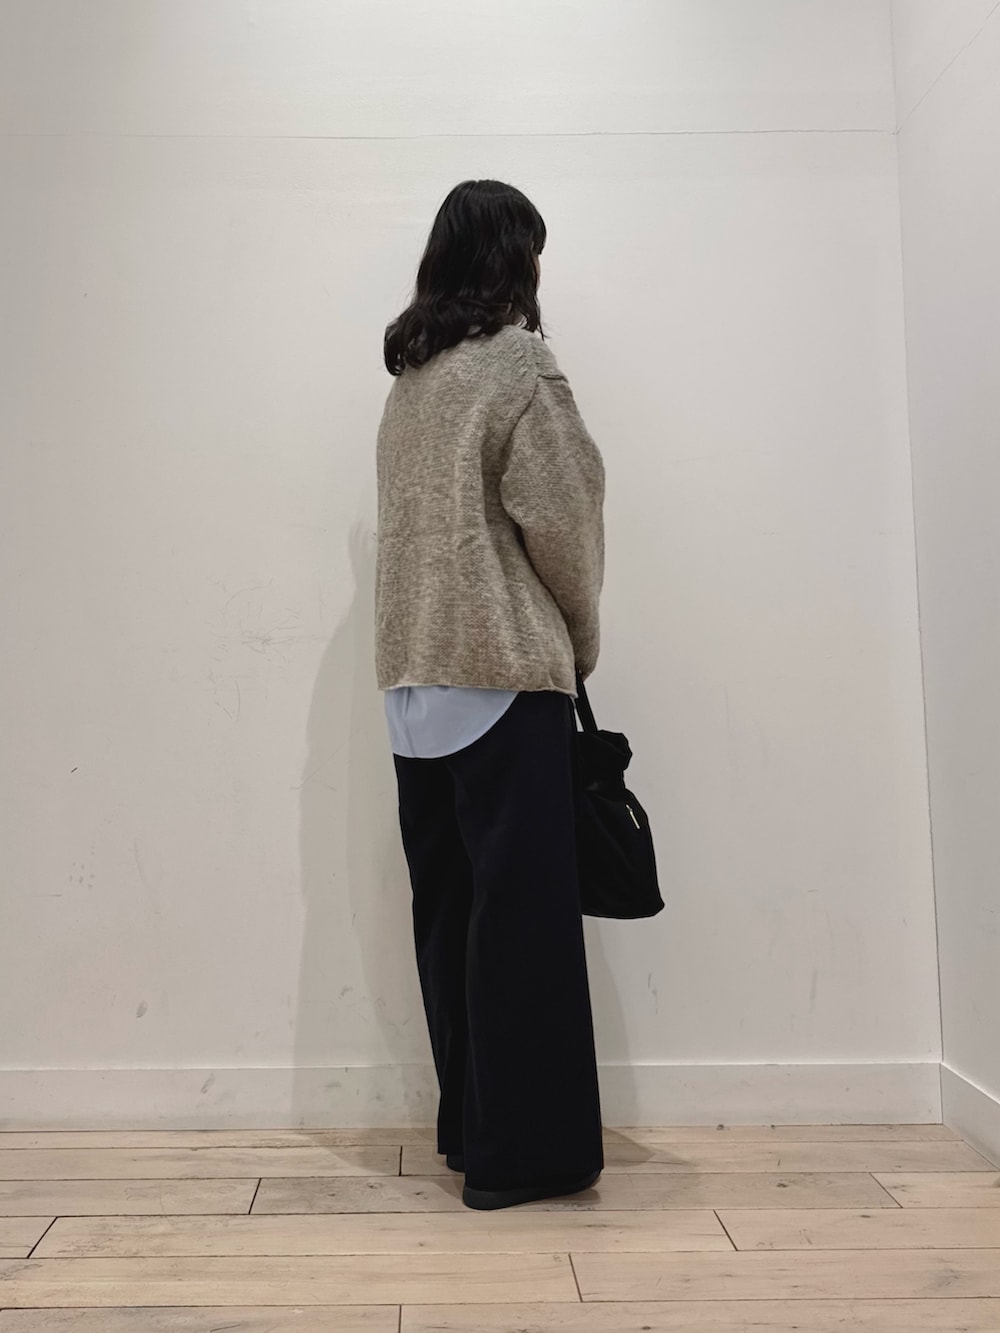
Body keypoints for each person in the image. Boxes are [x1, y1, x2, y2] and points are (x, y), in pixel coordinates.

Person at [374, 179, 606, 1210]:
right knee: (523, 927)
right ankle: (526, 1158)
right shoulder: (518, 366)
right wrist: (580, 641)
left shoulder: (410, 381)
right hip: (501, 673)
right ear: (516, 256)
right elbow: (567, 524)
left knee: (451, 917)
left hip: (413, 681)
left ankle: (472, 1133)